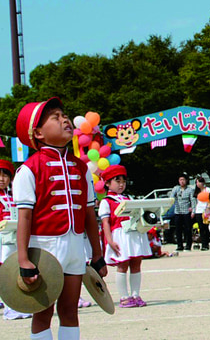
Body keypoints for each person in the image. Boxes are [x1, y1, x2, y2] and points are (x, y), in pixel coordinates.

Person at [13, 97, 108, 340]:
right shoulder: (28, 169)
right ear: (38, 133)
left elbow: (89, 214)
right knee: (42, 312)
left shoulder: (81, 167)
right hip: (43, 249)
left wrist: (97, 254)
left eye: (64, 115)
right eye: (55, 118)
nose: (64, 119)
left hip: (75, 246)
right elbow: (24, 217)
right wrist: (24, 259)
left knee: (70, 310)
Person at [98, 165, 152, 308]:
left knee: (136, 263)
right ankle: (124, 297)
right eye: (117, 181)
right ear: (108, 183)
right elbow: (106, 223)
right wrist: (109, 240)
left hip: (134, 234)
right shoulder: (106, 201)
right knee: (122, 265)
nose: (121, 184)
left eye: (123, 181)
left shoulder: (129, 198)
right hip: (120, 235)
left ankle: (136, 294)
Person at [0, 158, 33, 320]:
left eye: (5, 175)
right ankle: (8, 307)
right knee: (5, 271)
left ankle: (16, 304)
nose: (1, 179)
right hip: (2, 239)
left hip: (14, 238)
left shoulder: (13, 196)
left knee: (14, 270)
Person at [169, 175, 195, 252]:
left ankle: (188, 245)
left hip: (186, 211)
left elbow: (193, 200)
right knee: (178, 229)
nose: (182, 181)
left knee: (187, 229)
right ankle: (179, 245)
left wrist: (193, 210)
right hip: (178, 211)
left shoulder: (190, 189)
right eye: (180, 180)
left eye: (183, 180)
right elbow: (171, 197)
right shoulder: (176, 189)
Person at [193, 177, 210, 250]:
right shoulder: (197, 191)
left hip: (206, 210)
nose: (198, 184)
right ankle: (203, 244)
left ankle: (206, 243)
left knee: (206, 228)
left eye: (199, 182)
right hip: (198, 211)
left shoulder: (207, 190)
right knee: (201, 228)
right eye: (197, 182)